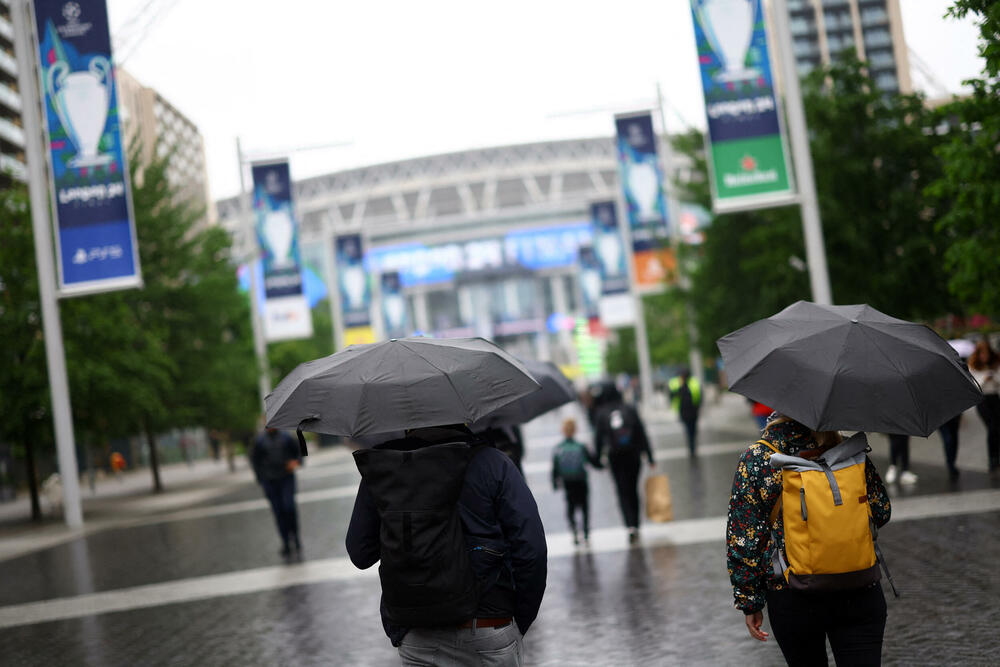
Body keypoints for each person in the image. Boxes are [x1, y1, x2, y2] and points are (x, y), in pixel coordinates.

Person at [346, 424, 547, 665]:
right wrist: (518, 620)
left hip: (416, 632)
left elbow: (360, 553)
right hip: (486, 626)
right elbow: (531, 550)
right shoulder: (493, 463)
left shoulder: (384, 469)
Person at [727, 414, 891, 666]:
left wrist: (750, 602)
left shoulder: (758, 459)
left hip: (793, 594)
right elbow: (881, 511)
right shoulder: (848, 450)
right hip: (859, 585)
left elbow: (744, 540)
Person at [593, 385, 654, 543]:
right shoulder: (629, 409)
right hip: (633, 455)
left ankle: (629, 525)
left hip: (615, 457)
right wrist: (649, 456)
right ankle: (636, 522)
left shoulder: (601, 413)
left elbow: (598, 439)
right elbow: (641, 432)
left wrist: (598, 459)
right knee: (633, 488)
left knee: (621, 490)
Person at [251, 426, 302, 557]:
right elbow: (255, 461)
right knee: (278, 512)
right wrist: (261, 479)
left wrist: (296, 462)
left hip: (286, 479)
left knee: (289, 508)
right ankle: (285, 542)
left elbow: (299, 453)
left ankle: (295, 537)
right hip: (270, 482)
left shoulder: (286, 437)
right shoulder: (260, 440)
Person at [551, 418, 600, 546]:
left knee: (570, 506)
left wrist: (555, 483)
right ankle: (586, 532)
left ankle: (574, 532)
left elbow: (555, 469)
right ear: (575, 430)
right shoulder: (581, 446)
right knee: (584, 506)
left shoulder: (558, 448)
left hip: (568, 482)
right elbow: (593, 462)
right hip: (581, 480)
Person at [968, 339, 1000, 475]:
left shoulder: (995, 364)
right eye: (982, 353)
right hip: (983, 400)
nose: (984, 356)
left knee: (997, 427)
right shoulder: (974, 365)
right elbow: (974, 385)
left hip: (994, 397)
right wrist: (984, 379)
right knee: (992, 427)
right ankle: (992, 458)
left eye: (987, 353)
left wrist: (994, 377)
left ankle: (996, 457)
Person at [669, 369, 702, 456]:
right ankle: (692, 447)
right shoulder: (677, 384)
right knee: (690, 431)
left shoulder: (693, 383)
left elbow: (699, 396)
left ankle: (692, 446)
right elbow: (672, 395)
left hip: (692, 411)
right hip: (685, 412)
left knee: (692, 431)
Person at [938, 414, 962, 482]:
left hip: (953, 415)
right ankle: (950, 464)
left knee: (954, 437)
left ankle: (952, 462)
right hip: (939, 416)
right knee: (948, 439)